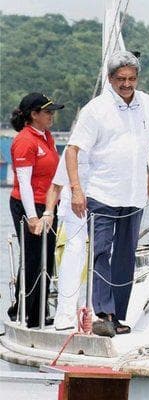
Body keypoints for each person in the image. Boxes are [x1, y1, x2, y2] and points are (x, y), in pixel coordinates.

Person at [66, 50, 149, 337]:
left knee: (125, 258)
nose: (127, 84)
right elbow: (72, 150)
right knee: (101, 252)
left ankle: (117, 316)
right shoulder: (95, 109)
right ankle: (103, 313)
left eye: (132, 78)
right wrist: (76, 190)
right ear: (110, 79)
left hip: (133, 196)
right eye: (121, 79)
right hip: (101, 194)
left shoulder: (148, 103)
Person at [44, 147, 149, 331]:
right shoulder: (75, 149)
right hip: (76, 211)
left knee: (117, 256)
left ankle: (107, 314)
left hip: (108, 203)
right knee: (77, 252)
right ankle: (66, 314)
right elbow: (56, 185)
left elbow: (142, 173)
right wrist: (48, 212)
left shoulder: (115, 149)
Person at [7, 92, 64, 328]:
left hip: (48, 205)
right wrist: (32, 217)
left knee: (46, 258)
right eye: (48, 112)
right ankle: (23, 312)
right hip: (28, 205)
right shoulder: (25, 141)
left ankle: (38, 311)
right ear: (34, 114)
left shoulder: (46, 137)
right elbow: (24, 182)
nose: (52, 116)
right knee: (32, 258)